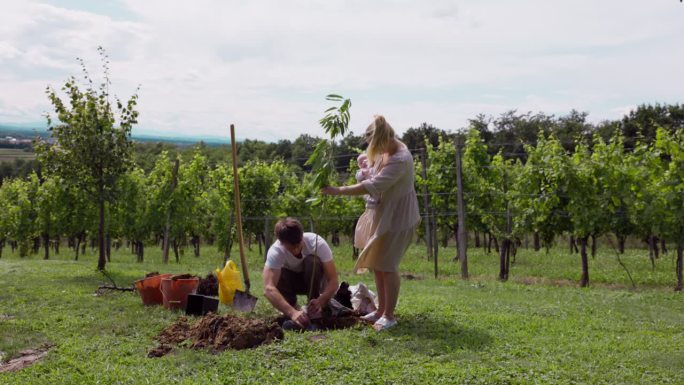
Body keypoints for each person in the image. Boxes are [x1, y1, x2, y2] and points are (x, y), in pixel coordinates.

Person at [321, 115, 421, 331]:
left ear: (383, 140)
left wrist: (339, 191)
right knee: (377, 263)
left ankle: (389, 316)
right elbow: (372, 168)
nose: (370, 150)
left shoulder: (400, 159)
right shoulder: (388, 149)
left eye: (373, 145)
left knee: (388, 265)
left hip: (398, 217)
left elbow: (372, 185)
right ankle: (380, 310)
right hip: (383, 213)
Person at [262, 217, 339, 329]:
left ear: (302, 235)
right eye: (291, 247)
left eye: (298, 244)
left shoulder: (317, 243)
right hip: (291, 284)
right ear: (282, 243)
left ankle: (314, 309)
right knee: (277, 272)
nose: (296, 250)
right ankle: (295, 310)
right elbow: (268, 289)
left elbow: (333, 280)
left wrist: (322, 300)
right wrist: (292, 312)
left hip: (314, 282)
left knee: (312, 261)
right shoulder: (276, 251)